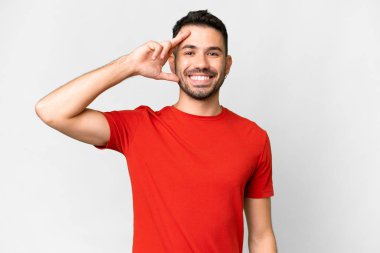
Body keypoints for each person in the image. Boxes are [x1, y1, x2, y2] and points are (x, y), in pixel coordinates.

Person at [35, 9, 277, 253]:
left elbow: (261, 236)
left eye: (212, 53)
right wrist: (129, 65)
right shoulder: (140, 127)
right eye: (189, 52)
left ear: (227, 65)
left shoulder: (254, 138)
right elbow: (51, 111)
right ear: (172, 62)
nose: (201, 64)